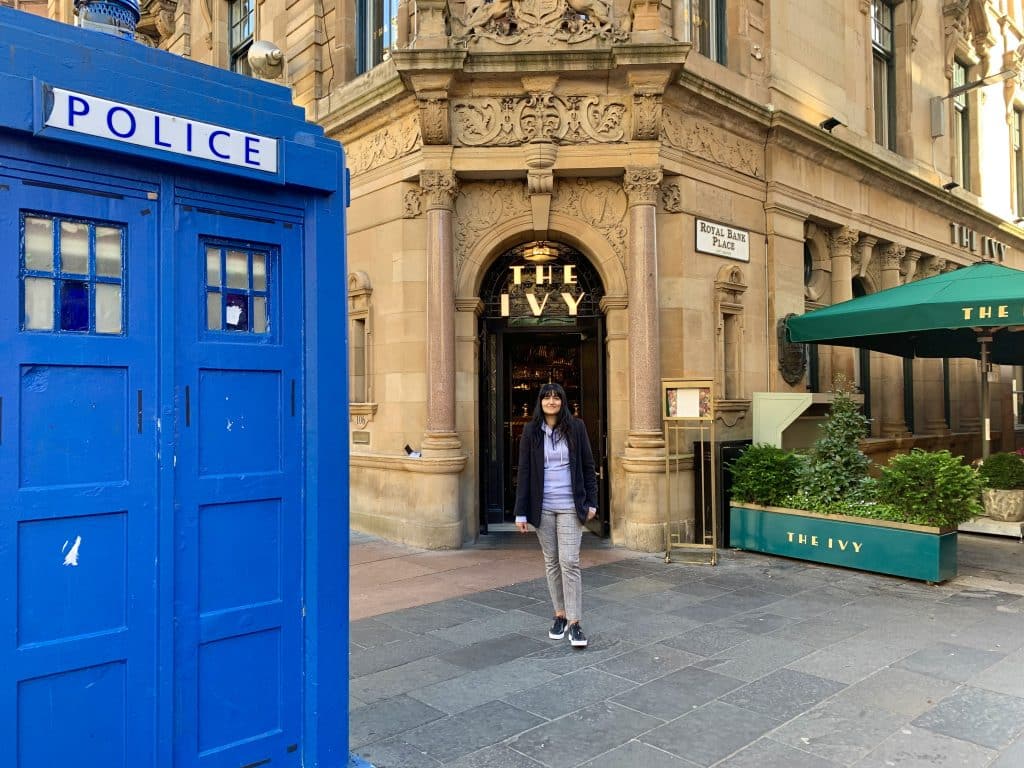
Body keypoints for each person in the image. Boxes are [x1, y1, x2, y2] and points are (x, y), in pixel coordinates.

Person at [514, 382, 599, 648]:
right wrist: (521, 512)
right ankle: (559, 615)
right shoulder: (531, 431)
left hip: (571, 505)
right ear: (540, 402)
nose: (552, 401)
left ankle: (575, 623)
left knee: (570, 561)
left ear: (563, 401)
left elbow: (588, 465)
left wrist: (592, 502)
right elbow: (525, 471)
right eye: (547, 397)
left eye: (556, 397)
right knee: (552, 562)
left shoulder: (576, 428)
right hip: (543, 507)